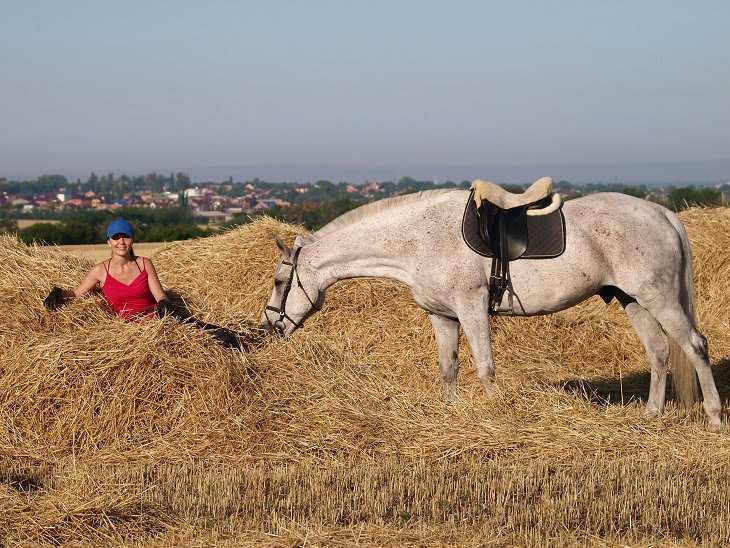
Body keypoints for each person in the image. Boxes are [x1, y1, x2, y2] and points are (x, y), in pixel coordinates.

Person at [44, 219, 243, 349]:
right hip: (130, 332)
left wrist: (164, 305)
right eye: (116, 238)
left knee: (220, 337)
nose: (121, 242)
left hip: (156, 322)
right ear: (108, 242)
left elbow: (160, 296)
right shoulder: (100, 271)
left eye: (126, 237)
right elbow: (77, 293)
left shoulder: (144, 264)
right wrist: (58, 293)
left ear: (132, 240)